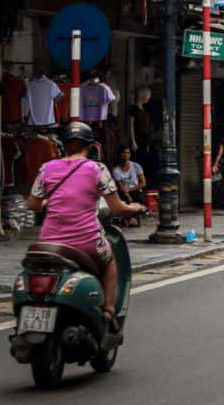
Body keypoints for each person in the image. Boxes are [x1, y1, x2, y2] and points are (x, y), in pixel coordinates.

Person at [27, 122, 144, 329]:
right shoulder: (97, 169)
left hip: (49, 243)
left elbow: (33, 204)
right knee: (109, 263)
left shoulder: (47, 168)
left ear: (64, 145)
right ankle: (109, 311)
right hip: (86, 242)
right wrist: (135, 208)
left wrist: (52, 202)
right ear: (90, 147)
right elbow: (117, 209)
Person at [111, 148, 147, 226]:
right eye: (123, 153)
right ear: (119, 155)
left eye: (127, 152)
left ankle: (130, 218)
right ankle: (129, 219)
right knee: (123, 198)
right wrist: (128, 196)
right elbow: (120, 186)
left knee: (138, 198)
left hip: (135, 189)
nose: (126, 155)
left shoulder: (136, 166)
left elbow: (143, 183)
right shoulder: (116, 170)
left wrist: (131, 189)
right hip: (123, 191)